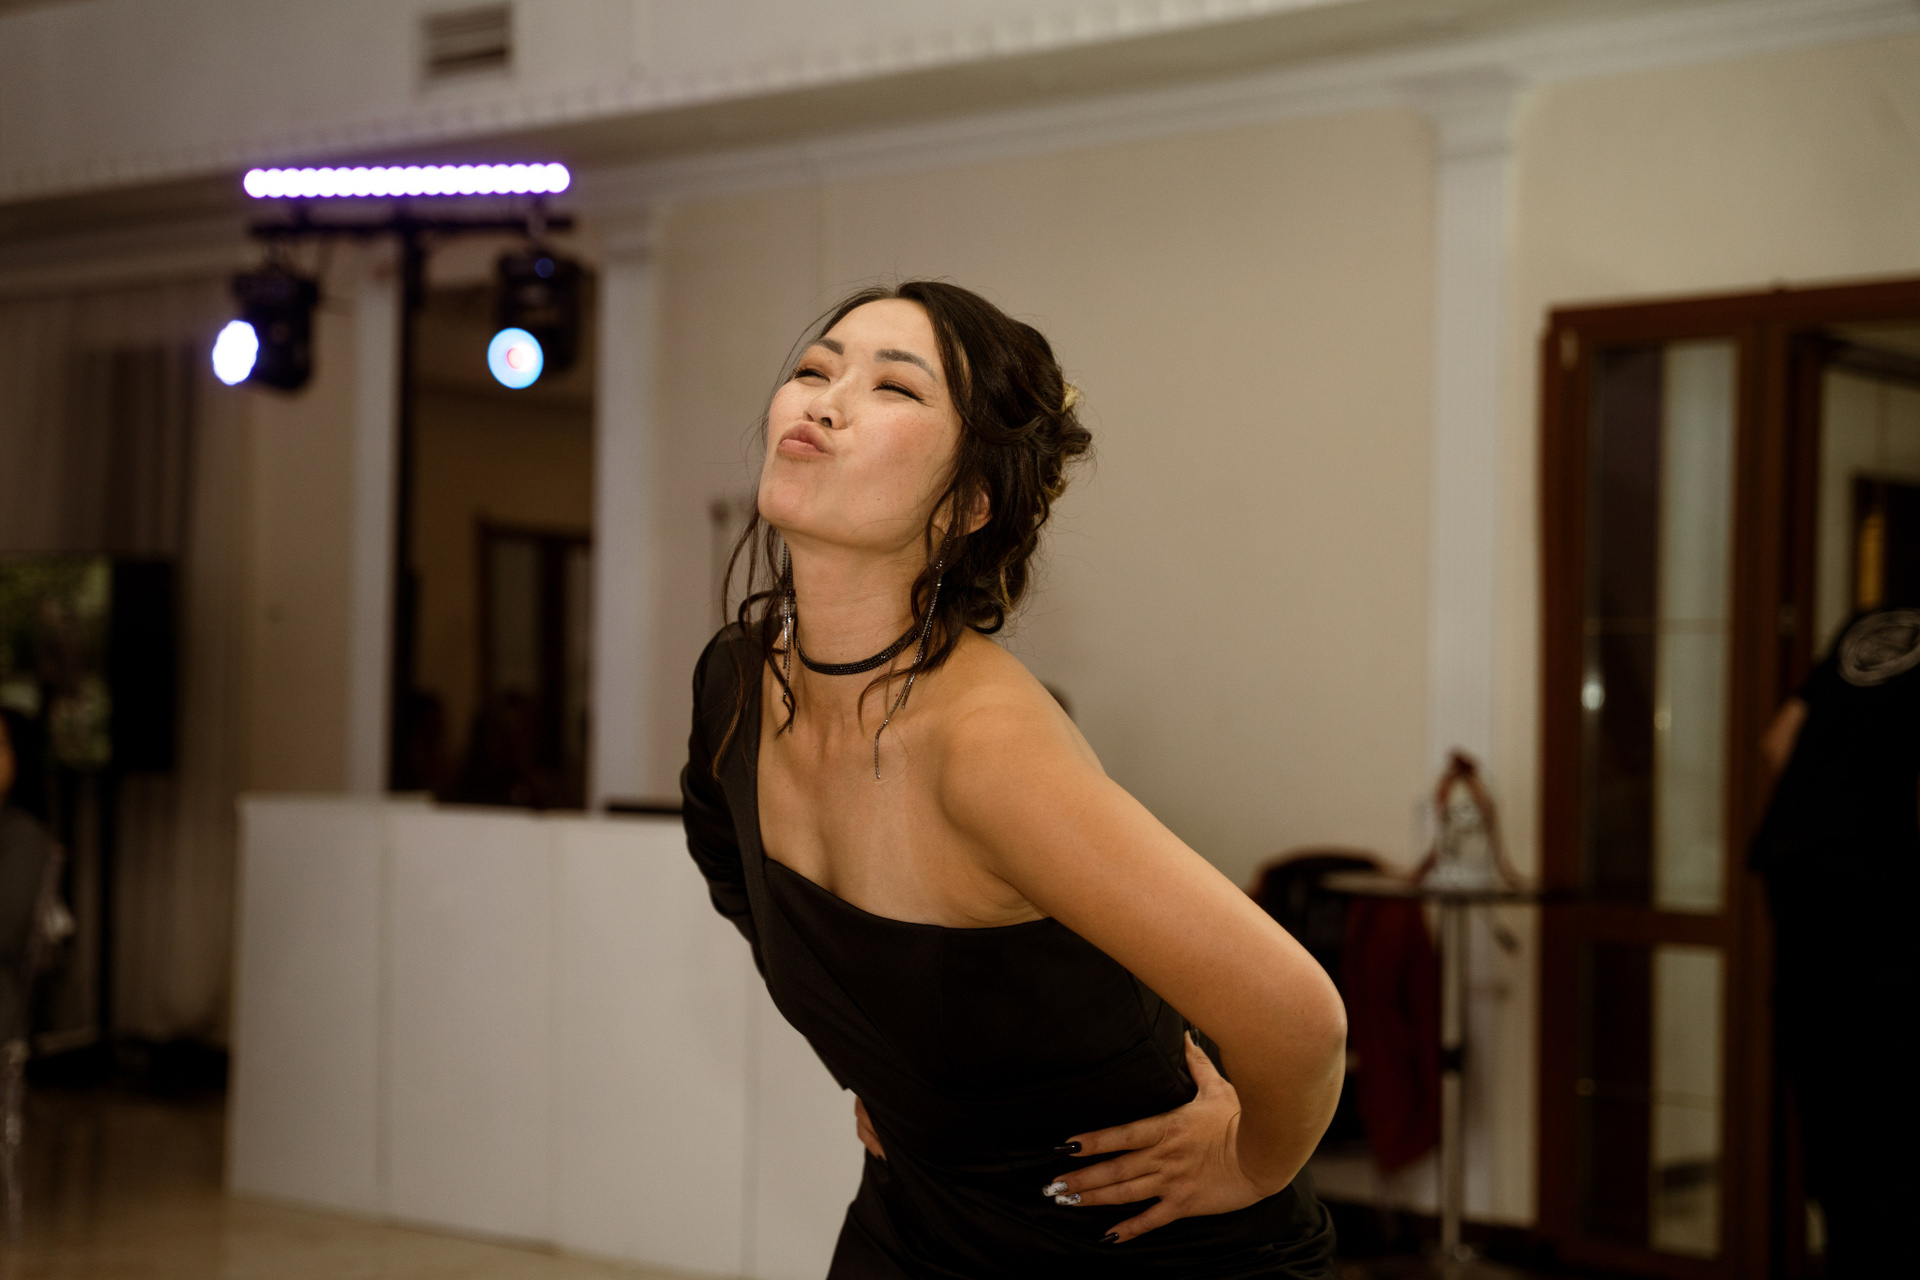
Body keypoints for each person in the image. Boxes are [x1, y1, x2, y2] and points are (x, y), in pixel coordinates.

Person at [682, 281, 1346, 1277]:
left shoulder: (986, 749)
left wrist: (1251, 1160)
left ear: (967, 503)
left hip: (1144, 1241)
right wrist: (883, 1066)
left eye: (894, 388)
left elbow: (1298, 1020)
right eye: (815, 370)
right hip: (918, 1209)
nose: (825, 401)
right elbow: (738, 878)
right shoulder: (734, 685)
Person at [1754, 607, 1920, 1278]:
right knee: (1892, 1096)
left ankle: (1846, 1243)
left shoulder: (1874, 623)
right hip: (1880, 887)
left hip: (1799, 873)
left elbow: (1777, 743)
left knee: (1827, 1079)